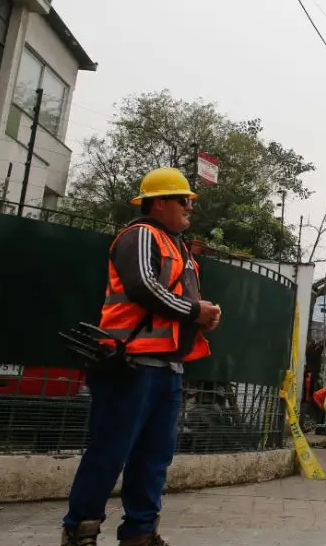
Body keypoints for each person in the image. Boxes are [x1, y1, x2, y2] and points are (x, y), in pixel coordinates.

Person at [62, 167, 222, 546]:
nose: (189, 207)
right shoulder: (140, 235)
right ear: (159, 202)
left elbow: (176, 300)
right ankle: (80, 530)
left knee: (154, 457)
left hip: (167, 367)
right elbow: (143, 286)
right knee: (110, 451)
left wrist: (204, 316)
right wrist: (194, 311)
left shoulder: (178, 246)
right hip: (130, 364)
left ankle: (140, 534)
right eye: (183, 200)